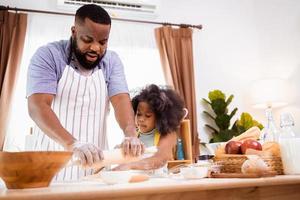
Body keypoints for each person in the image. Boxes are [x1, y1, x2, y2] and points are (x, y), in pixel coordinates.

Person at [26, 4, 144, 180]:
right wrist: (73, 144)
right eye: (88, 40)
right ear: (74, 32)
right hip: (51, 168)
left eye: (103, 42)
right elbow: (38, 106)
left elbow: (121, 100)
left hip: (96, 171)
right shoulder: (49, 56)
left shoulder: (111, 62)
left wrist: (130, 134)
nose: (96, 48)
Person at [113, 84, 187, 171]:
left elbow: (160, 159)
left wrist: (130, 166)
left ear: (159, 118)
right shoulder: (135, 135)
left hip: (157, 182)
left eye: (147, 116)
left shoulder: (166, 135)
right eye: (139, 114)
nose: (141, 119)